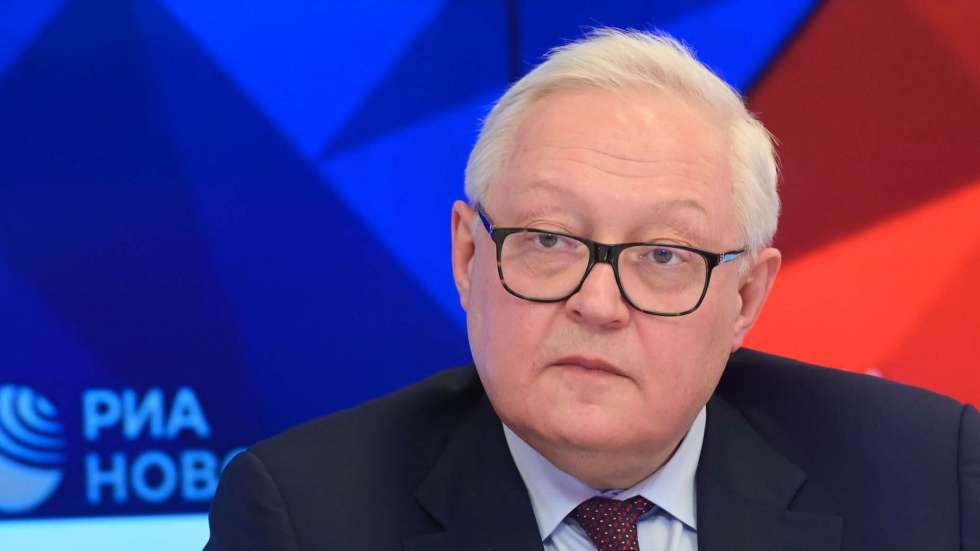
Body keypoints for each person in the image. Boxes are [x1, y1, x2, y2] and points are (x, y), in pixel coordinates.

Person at [204, 29, 979, 551]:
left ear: (745, 297)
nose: (600, 305)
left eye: (664, 255)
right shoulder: (303, 517)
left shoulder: (923, 480)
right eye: (549, 240)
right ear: (470, 256)